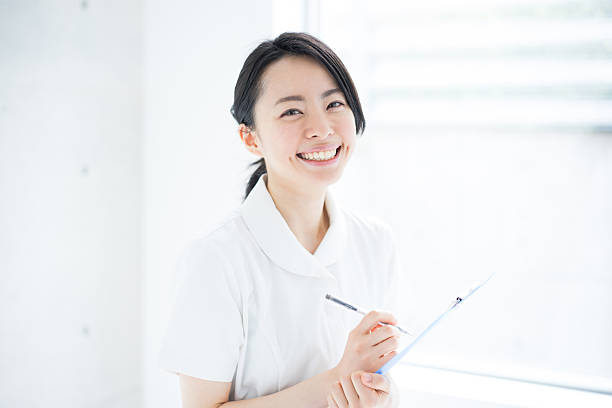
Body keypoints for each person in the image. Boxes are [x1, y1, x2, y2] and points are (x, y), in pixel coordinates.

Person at [159, 32, 403, 408]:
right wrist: (337, 380)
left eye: (335, 104)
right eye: (292, 111)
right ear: (250, 138)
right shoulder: (215, 261)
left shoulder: (375, 241)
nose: (322, 129)